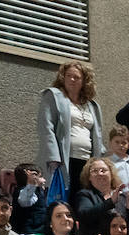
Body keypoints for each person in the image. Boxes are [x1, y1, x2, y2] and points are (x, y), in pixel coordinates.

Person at [37, 60, 106, 197]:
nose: (72, 80)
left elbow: (97, 135)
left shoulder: (92, 106)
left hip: (87, 161)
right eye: (69, 76)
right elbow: (46, 127)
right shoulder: (53, 96)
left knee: (85, 198)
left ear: (85, 81)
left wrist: (99, 159)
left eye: (77, 77)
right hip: (63, 160)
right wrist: (53, 157)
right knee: (64, 198)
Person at [72, 156, 129, 235]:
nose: (100, 174)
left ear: (111, 174)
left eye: (103, 170)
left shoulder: (122, 196)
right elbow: (84, 215)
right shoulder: (85, 195)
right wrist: (111, 202)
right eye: (95, 171)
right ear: (89, 177)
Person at [104, 125, 129, 197]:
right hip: (116, 201)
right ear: (110, 143)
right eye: (117, 142)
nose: (121, 145)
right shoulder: (107, 163)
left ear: (128, 144)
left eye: (124, 143)